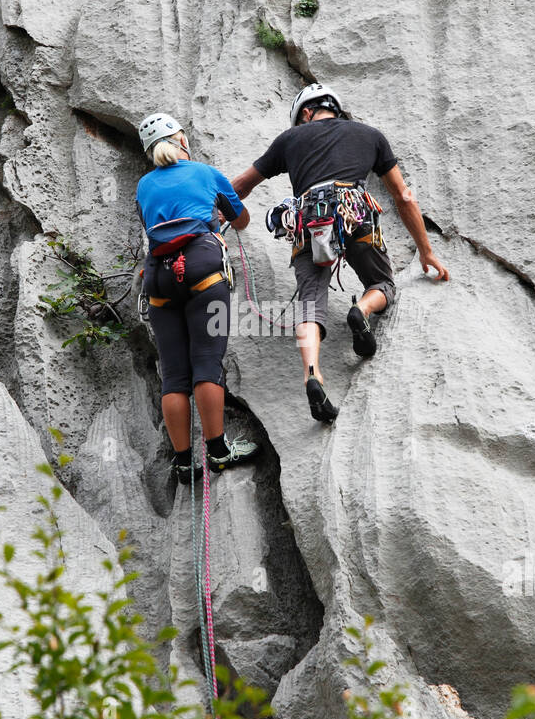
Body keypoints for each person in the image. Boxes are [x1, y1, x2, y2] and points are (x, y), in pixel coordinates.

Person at [231, 84, 450, 423]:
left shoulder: (289, 141)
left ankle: (313, 376)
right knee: (381, 282)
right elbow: (404, 197)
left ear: (305, 114)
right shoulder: (370, 135)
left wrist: (209, 212)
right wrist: (426, 252)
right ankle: (362, 309)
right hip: (356, 211)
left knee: (310, 303)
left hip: (308, 220)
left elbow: (241, 186)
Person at [135, 112, 259, 483]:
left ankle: (184, 462)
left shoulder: (144, 185)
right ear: (180, 140)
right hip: (204, 268)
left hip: (158, 278)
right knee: (206, 363)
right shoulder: (205, 173)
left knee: (174, 375)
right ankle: (218, 452)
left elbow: (152, 225)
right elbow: (241, 220)